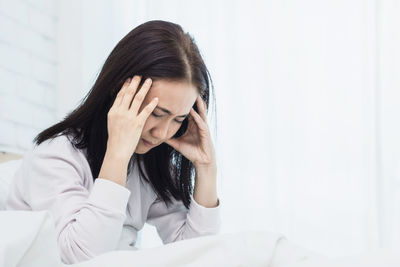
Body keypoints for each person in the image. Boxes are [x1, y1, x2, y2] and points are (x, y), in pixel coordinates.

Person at [6, 20, 220, 264]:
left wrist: (207, 168)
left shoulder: (146, 163)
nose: (162, 133)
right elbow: (80, 258)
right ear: (120, 91)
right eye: (157, 113)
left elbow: (197, 254)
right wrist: (117, 154)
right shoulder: (55, 154)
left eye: (178, 119)